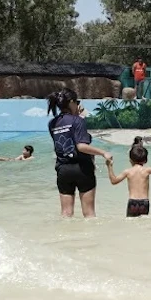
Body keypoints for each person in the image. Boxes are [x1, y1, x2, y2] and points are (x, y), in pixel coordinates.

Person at [48, 88, 112, 218]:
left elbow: (66, 139)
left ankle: (64, 237)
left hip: (63, 169)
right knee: (89, 213)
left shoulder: (52, 123)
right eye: (76, 102)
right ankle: (90, 238)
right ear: (71, 102)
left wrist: (76, 115)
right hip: (82, 167)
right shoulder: (78, 121)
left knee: (66, 213)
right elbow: (81, 146)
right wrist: (103, 152)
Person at [106, 144, 151, 217]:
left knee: (131, 224)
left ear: (130, 160)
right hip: (144, 202)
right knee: (142, 223)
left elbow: (114, 181)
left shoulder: (128, 171)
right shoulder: (147, 170)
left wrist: (109, 166)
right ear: (145, 160)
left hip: (133, 201)